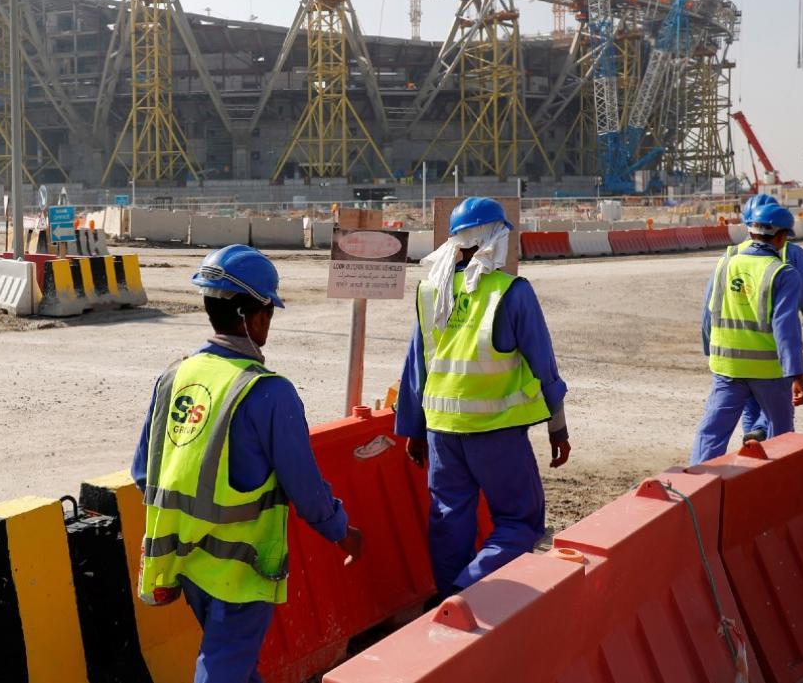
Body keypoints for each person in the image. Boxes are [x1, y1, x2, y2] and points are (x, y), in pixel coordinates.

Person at [131, 244, 362, 683]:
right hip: (240, 569)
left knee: (233, 663)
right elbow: (307, 490)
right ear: (251, 317)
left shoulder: (174, 376)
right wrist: (341, 531)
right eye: (268, 311)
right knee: (224, 667)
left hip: (186, 561)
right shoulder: (269, 393)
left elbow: (144, 473)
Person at [394, 197, 571, 598]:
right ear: (495, 238)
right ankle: (466, 590)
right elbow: (544, 367)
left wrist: (414, 429)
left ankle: (447, 605)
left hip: (441, 432)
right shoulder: (511, 292)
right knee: (520, 521)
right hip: (496, 431)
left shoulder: (430, 291)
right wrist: (557, 428)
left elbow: (416, 365)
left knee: (449, 520)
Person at [690, 202, 803, 465]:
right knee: (780, 436)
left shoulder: (725, 264)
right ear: (781, 238)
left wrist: (711, 353)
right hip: (769, 373)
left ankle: (696, 481)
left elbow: (708, 314)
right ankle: (775, 482)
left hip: (727, 368)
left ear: (750, 232)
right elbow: (786, 329)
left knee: (712, 433)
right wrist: (797, 375)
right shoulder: (783, 273)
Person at [736, 194, 803, 442]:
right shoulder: (793, 253)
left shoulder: (733, 255)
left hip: (739, 347)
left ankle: (753, 447)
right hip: (775, 347)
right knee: (779, 407)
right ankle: (767, 440)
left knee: (750, 406)